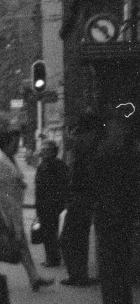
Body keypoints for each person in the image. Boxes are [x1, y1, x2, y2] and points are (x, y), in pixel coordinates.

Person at [0, 128, 52, 292]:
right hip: (1, 212)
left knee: (17, 244)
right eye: (15, 143)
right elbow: (14, 181)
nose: (17, 147)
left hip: (9, 211)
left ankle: (34, 278)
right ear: (6, 144)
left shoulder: (7, 158)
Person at [90, 110, 138, 304]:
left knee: (110, 271)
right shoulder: (130, 154)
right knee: (121, 270)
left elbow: (96, 184)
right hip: (124, 218)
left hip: (108, 218)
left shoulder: (105, 152)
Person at [60, 113, 102, 286]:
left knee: (70, 237)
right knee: (79, 237)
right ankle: (80, 274)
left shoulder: (83, 145)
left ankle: (78, 275)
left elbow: (76, 172)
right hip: (86, 196)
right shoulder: (92, 144)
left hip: (80, 196)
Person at [33, 139, 70, 268]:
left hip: (53, 204)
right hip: (43, 204)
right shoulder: (43, 165)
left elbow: (63, 185)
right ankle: (51, 257)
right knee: (47, 232)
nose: (43, 152)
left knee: (51, 232)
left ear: (53, 152)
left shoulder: (58, 166)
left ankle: (53, 258)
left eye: (46, 150)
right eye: (42, 150)